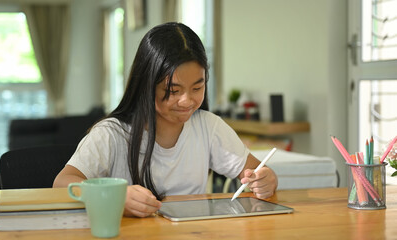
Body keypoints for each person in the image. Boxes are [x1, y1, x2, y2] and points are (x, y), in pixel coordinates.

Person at [53, 22, 278, 217]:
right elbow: (62, 184)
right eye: (173, 90)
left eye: (197, 87)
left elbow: (257, 173)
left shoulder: (208, 127)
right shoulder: (112, 133)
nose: (187, 100)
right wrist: (114, 197)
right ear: (146, 85)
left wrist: (265, 181)